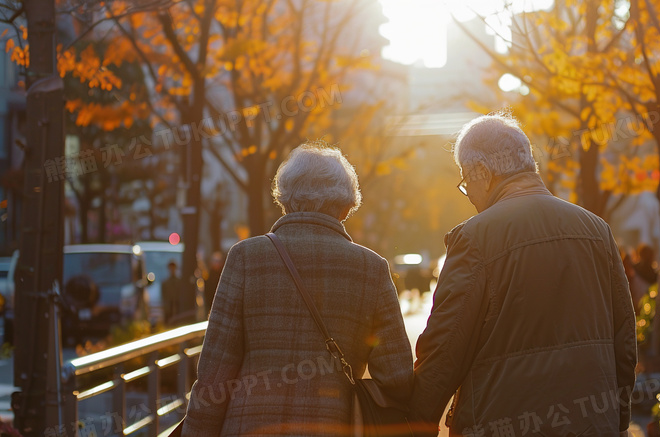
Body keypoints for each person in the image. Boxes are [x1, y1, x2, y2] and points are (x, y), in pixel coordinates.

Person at [409, 113, 636, 437]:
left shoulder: (476, 238)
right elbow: (624, 340)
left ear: (484, 173)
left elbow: (444, 351)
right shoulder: (597, 230)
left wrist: (416, 423)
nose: (469, 195)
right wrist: (619, 419)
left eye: (466, 183)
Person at [181, 142, 414, 436]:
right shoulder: (372, 268)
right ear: (345, 207)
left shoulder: (245, 258)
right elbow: (397, 378)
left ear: (285, 200)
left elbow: (214, 374)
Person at [203, 250, 224, 316]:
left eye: (218, 261)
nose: (217, 264)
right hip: (211, 304)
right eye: (215, 261)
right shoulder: (208, 276)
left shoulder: (223, 275)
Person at [161, 260, 181, 325]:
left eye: (173, 268)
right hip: (168, 309)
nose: (172, 270)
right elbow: (163, 297)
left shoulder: (179, 282)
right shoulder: (165, 283)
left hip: (177, 308)